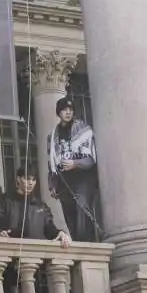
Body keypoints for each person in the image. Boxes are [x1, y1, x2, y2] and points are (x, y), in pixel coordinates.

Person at [47, 97, 98, 241]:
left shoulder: (83, 130)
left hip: (82, 178)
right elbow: (51, 162)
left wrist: (75, 163)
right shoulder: (53, 136)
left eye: (70, 110)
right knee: (69, 214)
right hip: (64, 181)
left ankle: (88, 243)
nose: (68, 113)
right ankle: (76, 242)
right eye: (64, 110)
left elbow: (91, 159)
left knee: (82, 208)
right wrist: (52, 184)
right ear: (59, 113)